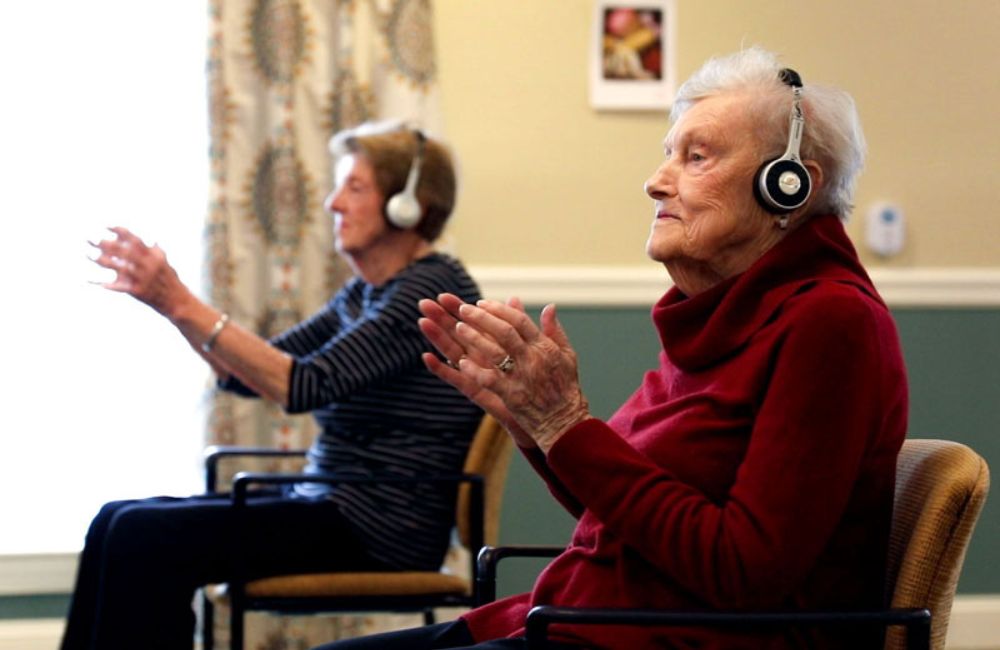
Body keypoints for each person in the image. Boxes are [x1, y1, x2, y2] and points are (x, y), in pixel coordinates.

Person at [313, 47, 908, 650]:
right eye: (667, 155)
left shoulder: (830, 321)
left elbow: (743, 570)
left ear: (792, 184)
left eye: (696, 157)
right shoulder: (717, 315)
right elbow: (617, 515)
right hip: (595, 619)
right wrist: (536, 424)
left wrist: (566, 424)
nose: (656, 181)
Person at [65, 122, 484, 650]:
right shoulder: (366, 293)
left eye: (354, 188)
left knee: (141, 536)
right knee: (115, 520)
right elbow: (250, 374)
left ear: (409, 204)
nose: (333, 203)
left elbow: (302, 385)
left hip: (375, 525)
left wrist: (180, 301)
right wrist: (170, 308)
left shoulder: (427, 291)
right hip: (330, 506)